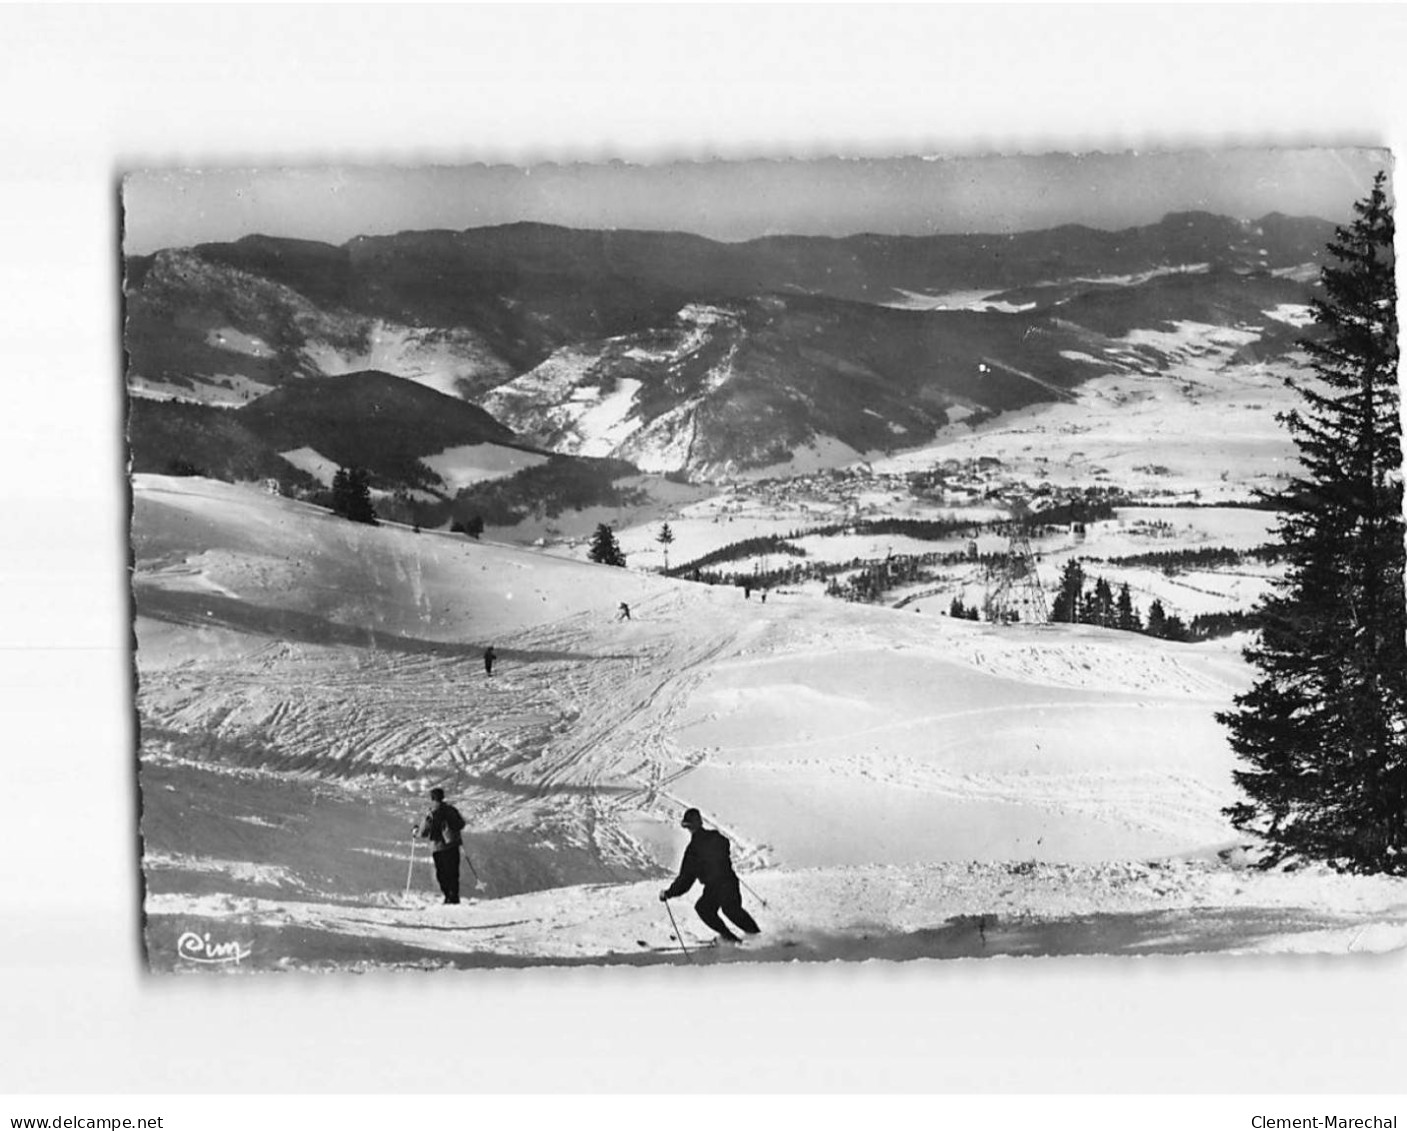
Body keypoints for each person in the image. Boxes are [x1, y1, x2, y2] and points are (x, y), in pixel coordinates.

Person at [659, 808, 760, 944]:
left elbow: (686, 879)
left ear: (688, 827)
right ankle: (754, 936)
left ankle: (733, 938)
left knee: (709, 909)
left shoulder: (693, 850)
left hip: (717, 885)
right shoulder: (716, 837)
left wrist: (669, 893)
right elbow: (725, 844)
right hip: (728, 881)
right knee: (727, 909)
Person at [416, 787, 466, 904]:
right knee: (453, 872)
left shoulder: (432, 813)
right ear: (442, 797)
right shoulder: (452, 810)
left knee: (442, 873)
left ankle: (448, 895)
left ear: (432, 798)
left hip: (438, 848)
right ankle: (454, 896)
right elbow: (461, 824)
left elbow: (423, 832)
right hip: (453, 845)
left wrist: (416, 831)